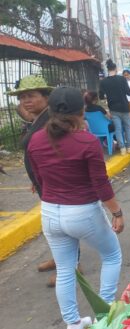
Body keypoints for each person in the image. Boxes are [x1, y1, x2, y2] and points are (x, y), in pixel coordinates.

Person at [27, 87, 124, 329]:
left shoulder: (35, 140)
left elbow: (38, 178)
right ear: (81, 110)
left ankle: (73, 323)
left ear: (50, 110)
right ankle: (105, 315)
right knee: (112, 255)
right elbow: (100, 185)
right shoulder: (87, 142)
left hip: (50, 212)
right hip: (82, 212)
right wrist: (117, 212)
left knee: (65, 270)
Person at [9, 75, 63, 287]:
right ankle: (60, 259)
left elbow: (57, 154)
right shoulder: (38, 119)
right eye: (22, 97)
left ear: (46, 97)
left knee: (60, 225)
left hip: (55, 183)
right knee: (53, 225)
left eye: (31, 96)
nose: (25, 101)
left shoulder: (52, 120)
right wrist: (36, 177)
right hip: (43, 181)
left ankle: (71, 265)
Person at [99, 59, 130, 155]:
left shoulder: (103, 82)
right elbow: (129, 93)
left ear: (108, 69)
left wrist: (108, 95)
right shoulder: (122, 79)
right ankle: (129, 147)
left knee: (118, 129)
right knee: (127, 127)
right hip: (124, 107)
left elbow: (101, 97)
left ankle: (122, 149)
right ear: (116, 69)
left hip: (113, 108)